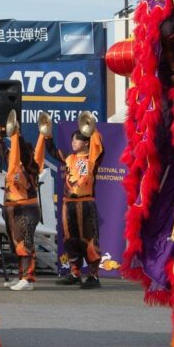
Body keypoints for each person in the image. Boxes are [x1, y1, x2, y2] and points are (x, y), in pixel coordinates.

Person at [45, 120, 105, 289]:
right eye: (72, 139)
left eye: (76, 139)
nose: (73, 142)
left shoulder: (93, 158)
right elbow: (51, 151)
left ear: (86, 142)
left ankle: (94, 276)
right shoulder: (69, 158)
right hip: (68, 204)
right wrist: (47, 134)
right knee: (70, 238)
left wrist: (92, 130)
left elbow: (101, 148)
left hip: (86, 203)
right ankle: (75, 273)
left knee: (89, 238)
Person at [0, 114, 46, 291]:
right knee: (16, 244)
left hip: (26, 208)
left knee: (25, 243)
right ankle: (21, 276)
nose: (15, 154)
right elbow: (3, 150)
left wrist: (17, 135)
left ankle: (28, 278)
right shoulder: (13, 163)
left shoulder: (31, 167)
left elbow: (20, 149)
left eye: (20, 151)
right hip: (12, 208)